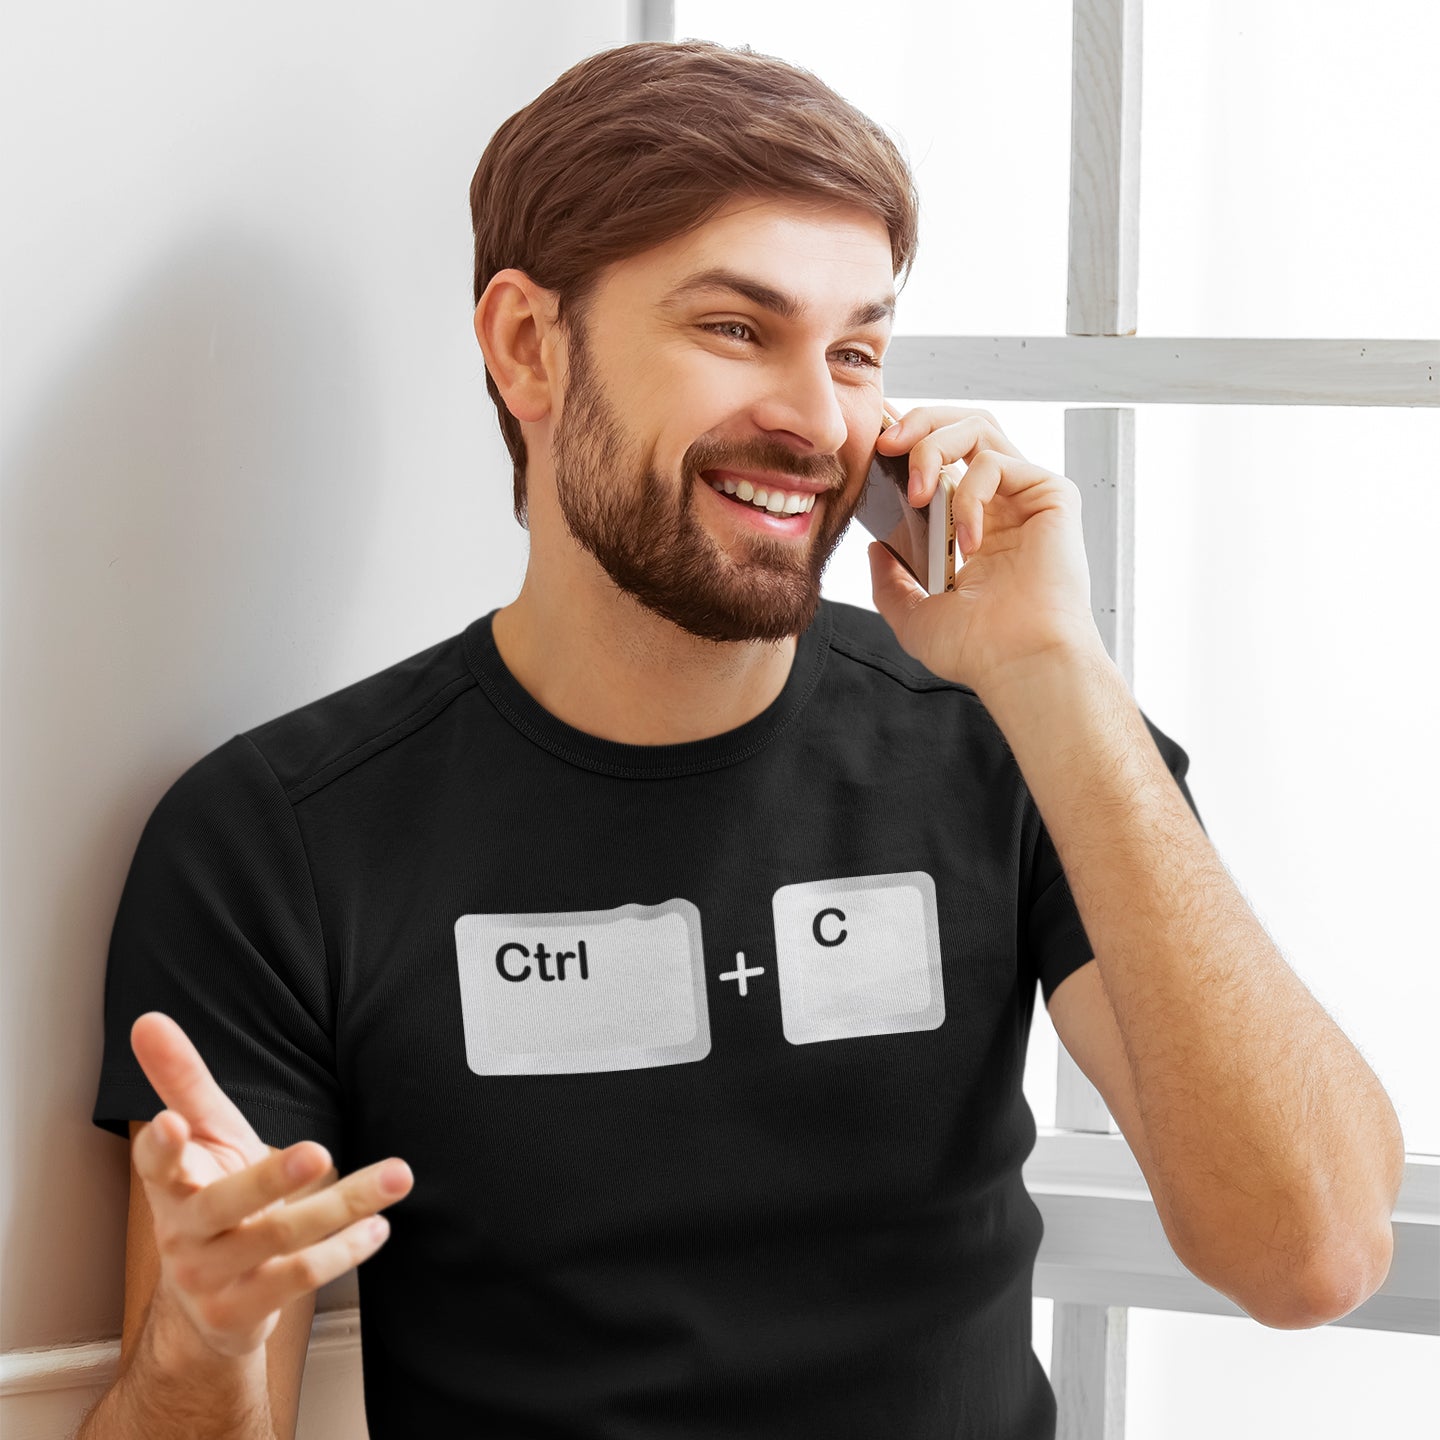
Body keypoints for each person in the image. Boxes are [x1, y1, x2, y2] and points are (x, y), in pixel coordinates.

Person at [82, 37, 1404, 1440]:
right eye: (734, 329)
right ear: (529, 347)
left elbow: (1310, 1255)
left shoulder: (1012, 736)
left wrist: (1057, 670)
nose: (818, 419)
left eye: (855, 350)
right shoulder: (280, 840)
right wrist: (201, 1349)